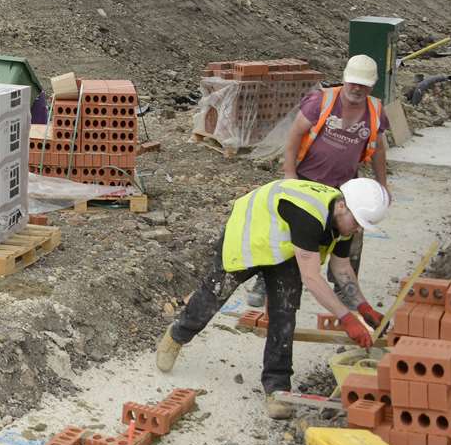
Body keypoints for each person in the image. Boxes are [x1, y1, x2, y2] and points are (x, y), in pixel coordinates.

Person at [157, 177, 390, 419]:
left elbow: (342, 268)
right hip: (250, 235)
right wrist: (346, 318)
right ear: (342, 206)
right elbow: (312, 278)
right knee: (216, 293)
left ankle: (278, 387)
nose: (359, 228)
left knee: (285, 310)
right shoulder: (309, 215)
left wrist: (364, 307)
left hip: (283, 246)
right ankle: (177, 335)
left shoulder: (344, 221)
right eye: (358, 222)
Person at [245, 54, 389, 308]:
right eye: (353, 82)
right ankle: (264, 280)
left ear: (371, 86)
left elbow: (378, 150)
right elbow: (294, 136)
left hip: (344, 188)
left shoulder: (375, 112)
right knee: (284, 233)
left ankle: (344, 287)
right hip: (306, 181)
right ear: (345, 79)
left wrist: (382, 185)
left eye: (363, 84)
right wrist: (289, 174)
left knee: (351, 232)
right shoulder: (322, 101)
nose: (357, 88)